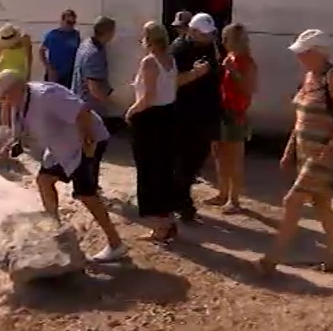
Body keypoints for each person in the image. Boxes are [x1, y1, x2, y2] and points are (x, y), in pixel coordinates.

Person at [0, 69, 128, 263]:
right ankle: (54, 227)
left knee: (86, 193)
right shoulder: (18, 104)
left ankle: (116, 244)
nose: (4, 101)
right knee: (44, 180)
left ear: (16, 88)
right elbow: (17, 136)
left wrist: (88, 147)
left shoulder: (46, 95)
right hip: (60, 147)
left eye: (5, 96)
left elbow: (82, 112)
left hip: (86, 141)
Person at [256, 29, 333, 276]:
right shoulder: (309, 76)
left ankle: (271, 260)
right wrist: (289, 150)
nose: (299, 57)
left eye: (303, 53)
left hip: (322, 154)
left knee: (292, 202)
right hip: (306, 152)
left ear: (317, 52)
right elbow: (300, 119)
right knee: (322, 204)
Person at [124, 21, 180, 241]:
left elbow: (148, 97)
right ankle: (168, 218)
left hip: (151, 119)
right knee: (164, 169)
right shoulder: (171, 60)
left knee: (149, 170)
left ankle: (160, 226)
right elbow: (171, 89)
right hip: (168, 116)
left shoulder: (150, 62)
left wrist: (130, 112)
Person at [169, 12, 225, 225]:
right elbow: (171, 81)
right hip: (185, 114)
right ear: (192, 31)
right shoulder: (179, 49)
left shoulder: (212, 46)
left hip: (208, 113)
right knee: (184, 161)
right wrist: (195, 74)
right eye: (204, 34)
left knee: (196, 160)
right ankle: (182, 203)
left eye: (211, 34)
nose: (209, 38)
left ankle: (179, 198)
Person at [205, 23, 258, 213]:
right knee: (219, 154)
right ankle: (222, 193)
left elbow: (250, 89)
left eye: (226, 39)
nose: (223, 42)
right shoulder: (230, 57)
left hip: (236, 114)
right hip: (223, 110)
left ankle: (234, 200)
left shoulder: (246, 62)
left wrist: (234, 71)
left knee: (234, 158)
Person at [72, 16, 116, 131]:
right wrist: (110, 103)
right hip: (90, 108)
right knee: (94, 141)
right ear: (108, 32)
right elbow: (94, 87)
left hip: (80, 101)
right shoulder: (94, 54)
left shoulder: (86, 44)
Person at [0, 24, 33, 128]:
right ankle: (6, 129)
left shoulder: (25, 39)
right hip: (4, 73)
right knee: (5, 104)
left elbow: (29, 58)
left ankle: (18, 129)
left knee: (19, 102)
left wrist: (28, 75)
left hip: (20, 73)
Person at [39, 9, 82, 89]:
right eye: (68, 22)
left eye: (73, 23)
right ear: (62, 21)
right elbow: (41, 51)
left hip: (70, 74)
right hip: (54, 73)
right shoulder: (52, 35)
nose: (71, 25)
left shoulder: (75, 35)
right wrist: (49, 68)